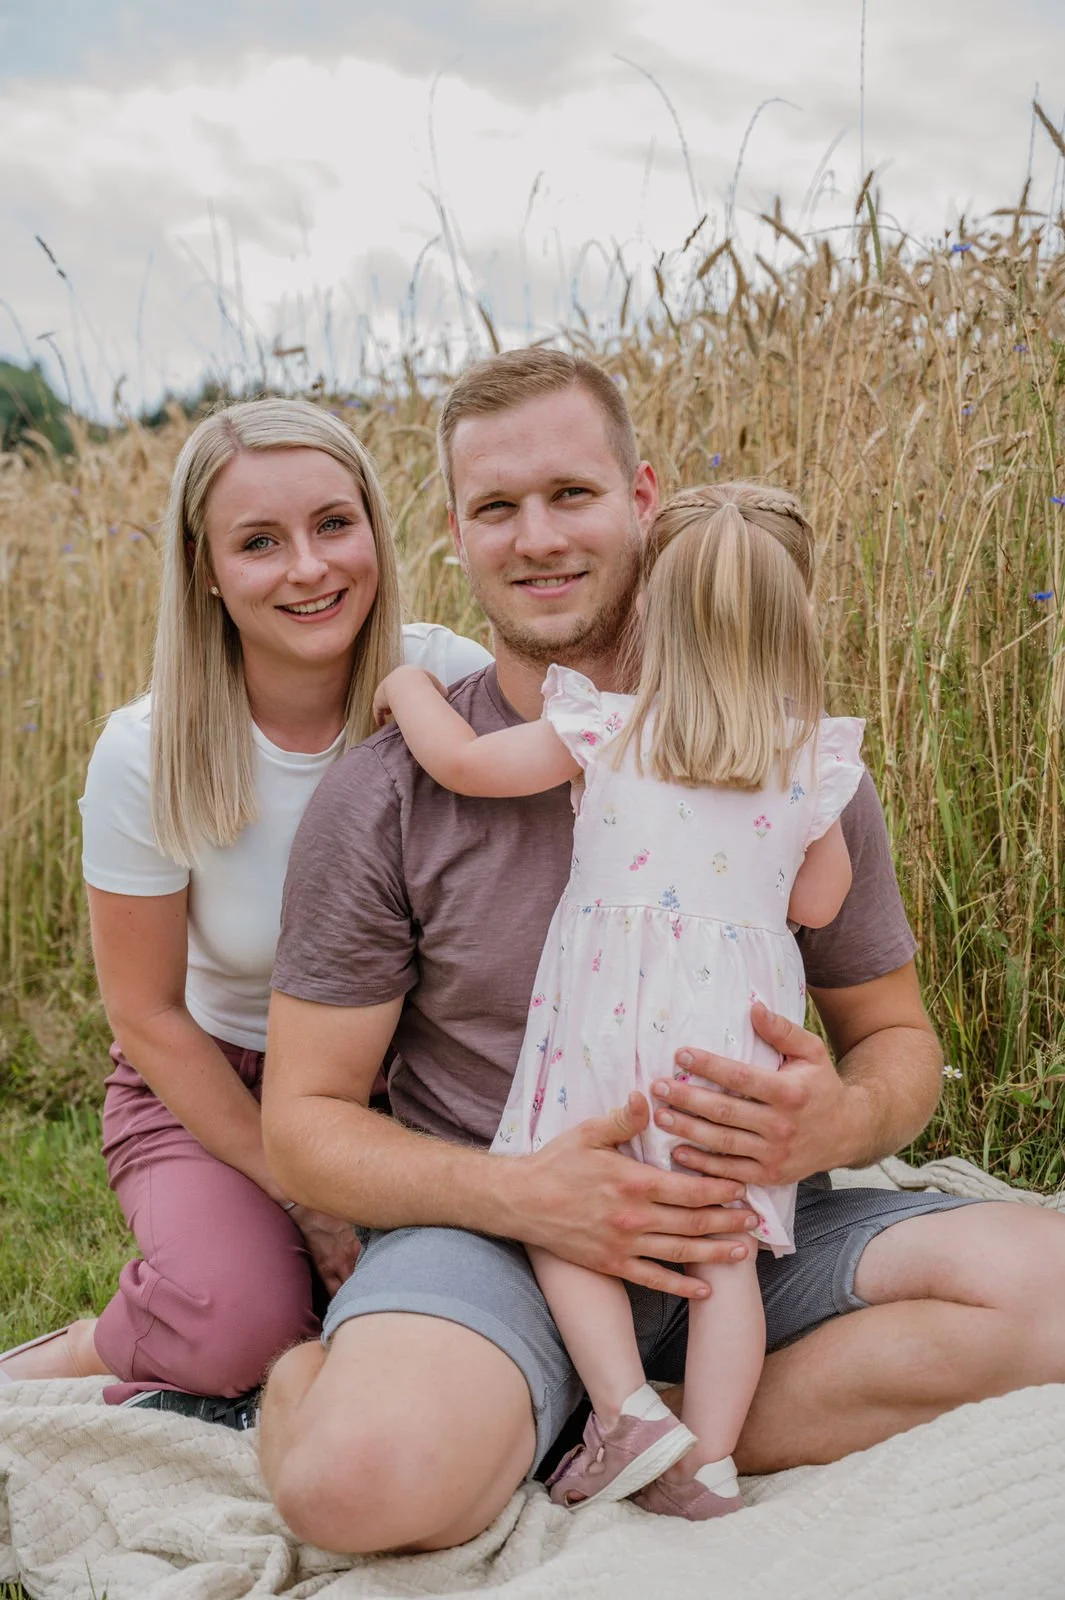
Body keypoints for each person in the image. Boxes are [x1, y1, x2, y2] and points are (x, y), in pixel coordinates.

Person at [259, 349, 1065, 1555]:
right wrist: (524, 1192)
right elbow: (302, 1122)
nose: (536, 538)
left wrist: (831, 1126)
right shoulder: (385, 796)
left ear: (644, 499)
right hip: (502, 1235)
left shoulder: (786, 758)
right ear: (457, 534)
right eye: (496, 508)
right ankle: (431, 1388)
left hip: (740, 1222)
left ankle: (646, 1429)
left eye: (570, 494)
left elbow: (898, 1042)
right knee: (358, 1483)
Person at [369, 482, 864, 1519]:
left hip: (607, 1024)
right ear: (796, 621)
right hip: (728, 1055)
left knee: (566, 1212)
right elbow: (820, 902)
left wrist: (409, 687)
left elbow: (462, 761)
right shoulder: (810, 759)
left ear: (648, 612)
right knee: (722, 1246)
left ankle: (626, 1409)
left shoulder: (604, 726)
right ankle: (712, 1463)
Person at [0, 399, 490, 1414]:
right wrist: (308, 1191)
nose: (310, 568)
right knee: (241, 1330)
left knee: (448, 1330)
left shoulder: (453, 683)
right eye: (260, 542)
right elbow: (149, 1014)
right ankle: (103, 1340)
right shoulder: (145, 752)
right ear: (205, 569)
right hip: (218, 1082)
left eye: (333, 524)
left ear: (374, 529)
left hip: (414, 1080)